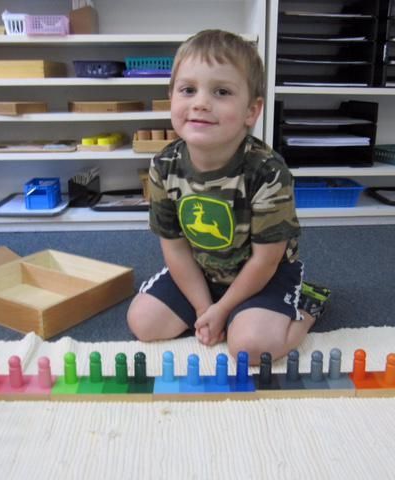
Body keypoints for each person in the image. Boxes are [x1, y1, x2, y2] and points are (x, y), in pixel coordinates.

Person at [127, 29, 317, 364]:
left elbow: (265, 260)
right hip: (203, 271)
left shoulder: (267, 172)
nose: (200, 102)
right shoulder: (163, 166)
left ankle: (307, 307)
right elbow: (174, 247)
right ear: (171, 96)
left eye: (222, 92)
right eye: (188, 90)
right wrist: (205, 309)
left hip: (263, 275)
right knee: (143, 323)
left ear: (251, 111)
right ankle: (224, 312)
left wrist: (224, 309)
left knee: (251, 348)